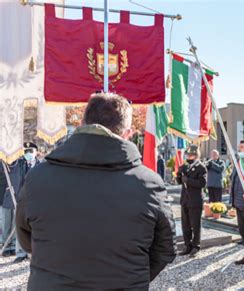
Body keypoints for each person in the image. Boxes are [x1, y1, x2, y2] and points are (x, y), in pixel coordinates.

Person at [16, 93, 176, 290]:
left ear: (82, 123)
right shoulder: (149, 185)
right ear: (128, 133)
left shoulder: (38, 177)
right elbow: (165, 249)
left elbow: (26, 237)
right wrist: (132, 276)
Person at [176, 144, 207, 257]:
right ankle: (187, 245)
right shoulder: (184, 166)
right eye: (188, 155)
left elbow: (202, 183)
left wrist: (188, 180)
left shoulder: (201, 167)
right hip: (185, 199)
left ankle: (196, 246)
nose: (189, 157)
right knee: (185, 225)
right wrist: (178, 175)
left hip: (195, 200)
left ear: (196, 156)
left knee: (195, 224)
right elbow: (180, 182)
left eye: (191, 155)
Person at [13, 142, 41, 263]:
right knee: (20, 225)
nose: (28, 154)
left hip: (37, 200)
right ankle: (20, 253)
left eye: (30, 151)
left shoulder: (42, 166)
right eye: (26, 151)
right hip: (21, 200)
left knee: (35, 226)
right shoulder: (19, 164)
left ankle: (34, 252)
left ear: (36, 152)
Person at [1, 157, 28, 257]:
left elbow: (22, 177)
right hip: (5, 196)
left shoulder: (21, 162)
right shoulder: (3, 162)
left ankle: (12, 245)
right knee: (6, 222)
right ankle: (5, 245)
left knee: (14, 223)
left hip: (17, 195)